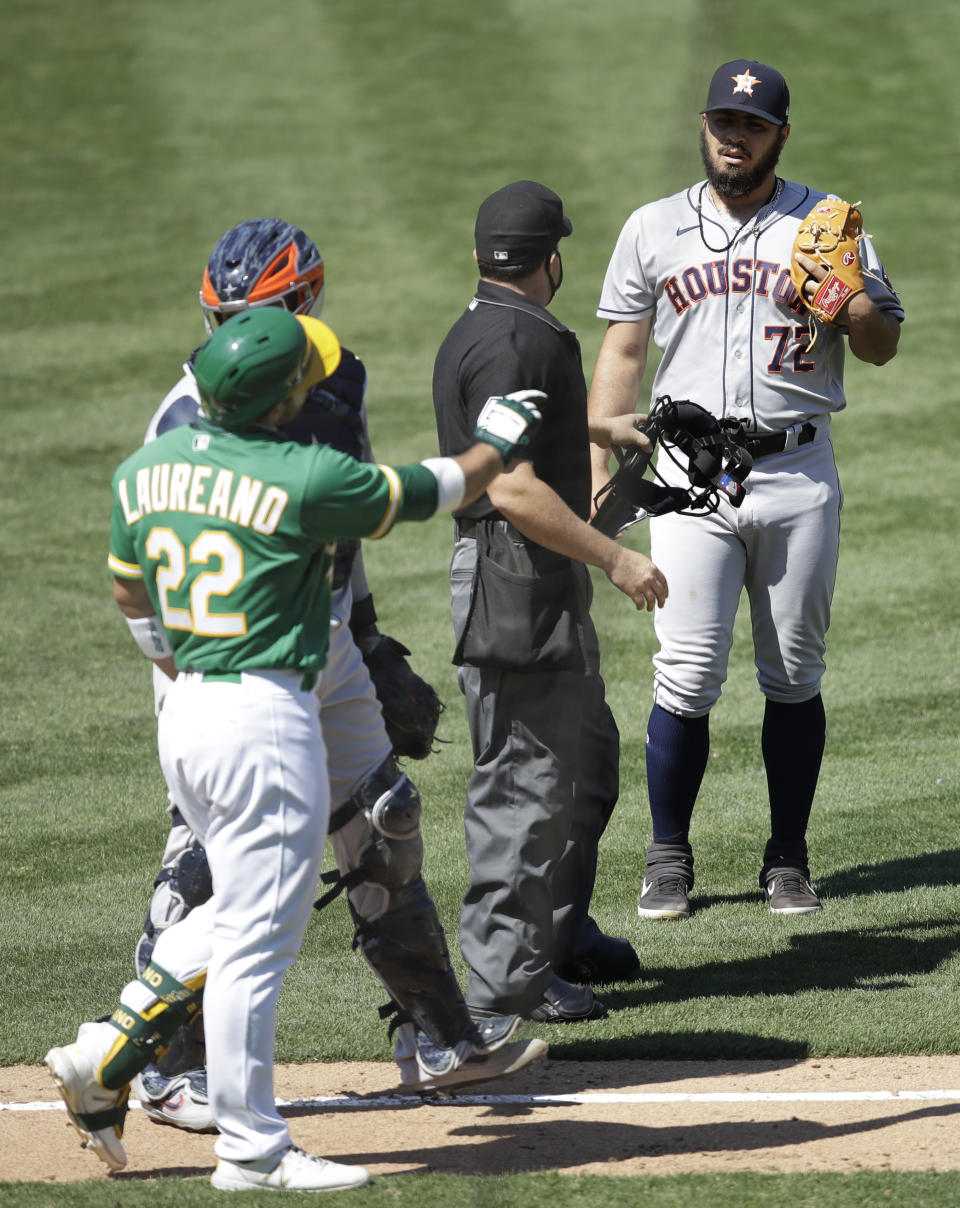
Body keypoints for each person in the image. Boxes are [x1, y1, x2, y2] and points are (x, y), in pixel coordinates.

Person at [44, 306, 548, 1193]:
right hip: (266, 722)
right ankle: (252, 1150)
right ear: (281, 402)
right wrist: (496, 439)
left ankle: (104, 1054)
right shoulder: (302, 476)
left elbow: (132, 597)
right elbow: (436, 488)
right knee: (255, 946)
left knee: (237, 906)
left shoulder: (143, 472)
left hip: (190, 714)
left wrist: (182, 662)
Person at [588, 60, 903, 920]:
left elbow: (880, 346)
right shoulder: (654, 228)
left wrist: (848, 301)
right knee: (685, 672)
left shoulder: (829, 223)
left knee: (793, 672)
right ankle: (667, 856)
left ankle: (788, 858)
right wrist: (598, 472)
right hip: (690, 478)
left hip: (798, 472)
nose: (734, 138)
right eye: (723, 121)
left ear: (780, 136)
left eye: (753, 126)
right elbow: (621, 351)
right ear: (705, 125)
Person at [432, 180, 669, 1024]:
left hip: (532, 577)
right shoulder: (516, 345)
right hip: (516, 581)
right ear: (551, 258)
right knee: (524, 786)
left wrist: (596, 431)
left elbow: (512, 437)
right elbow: (514, 489)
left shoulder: (489, 328)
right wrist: (616, 560)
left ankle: (556, 935)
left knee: (586, 763)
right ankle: (506, 986)